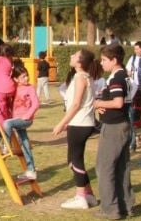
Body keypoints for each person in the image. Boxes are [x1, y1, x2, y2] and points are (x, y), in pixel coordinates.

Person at [53, 49, 100, 210]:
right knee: (75, 160)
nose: (71, 56)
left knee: (74, 161)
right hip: (81, 123)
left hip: (80, 124)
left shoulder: (81, 77)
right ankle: (89, 195)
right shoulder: (84, 76)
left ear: (80, 62)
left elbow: (76, 104)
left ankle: (80, 196)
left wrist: (62, 123)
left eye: (74, 55)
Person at [93, 43, 134, 219]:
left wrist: (97, 103)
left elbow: (117, 103)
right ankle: (126, 205)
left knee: (104, 167)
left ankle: (110, 209)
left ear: (114, 60)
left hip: (114, 127)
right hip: (121, 124)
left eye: (104, 60)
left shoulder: (117, 78)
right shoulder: (123, 76)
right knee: (121, 167)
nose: (101, 63)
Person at [3, 63, 41, 180]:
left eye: (26, 75)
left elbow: (36, 103)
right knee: (25, 144)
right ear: (16, 79)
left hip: (25, 120)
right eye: (23, 77)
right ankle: (31, 170)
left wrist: (27, 116)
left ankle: (6, 146)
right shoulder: (14, 88)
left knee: (7, 123)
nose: (27, 78)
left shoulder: (30, 87)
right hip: (17, 119)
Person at [125, 41, 141, 151]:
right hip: (134, 86)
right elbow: (128, 71)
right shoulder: (133, 58)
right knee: (134, 107)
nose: (136, 51)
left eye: (137, 49)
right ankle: (137, 124)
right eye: (135, 49)